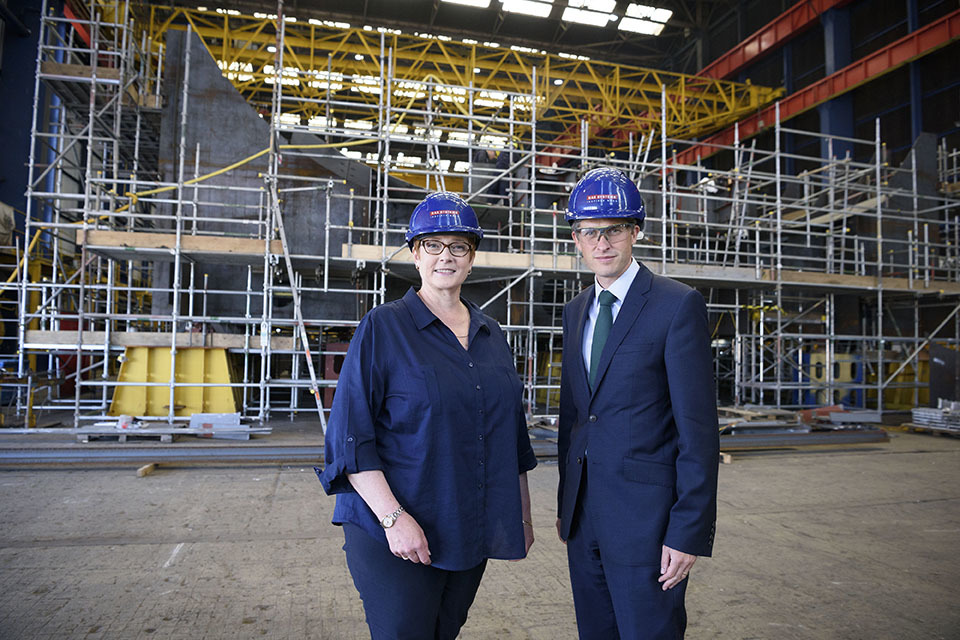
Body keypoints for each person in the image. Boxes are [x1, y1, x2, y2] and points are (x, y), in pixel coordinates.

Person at [318, 191, 537, 640]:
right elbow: (350, 437)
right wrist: (394, 519)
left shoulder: (491, 333)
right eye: (432, 244)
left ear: (471, 259)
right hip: (395, 530)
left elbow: (511, 436)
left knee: (444, 632)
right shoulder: (384, 327)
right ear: (415, 254)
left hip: (468, 526)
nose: (446, 256)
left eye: (458, 246)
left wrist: (522, 517)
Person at [556, 167, 719, 639]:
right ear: (576, 239)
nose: (602, 242)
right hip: (584, 519)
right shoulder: (576, 311)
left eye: (614, 229)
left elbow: (697, 430)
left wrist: (687, 530)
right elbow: (575, 417)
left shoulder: (676, 305)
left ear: (636, 232)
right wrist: (567, 505)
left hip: (648, 523)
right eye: (590, 232)